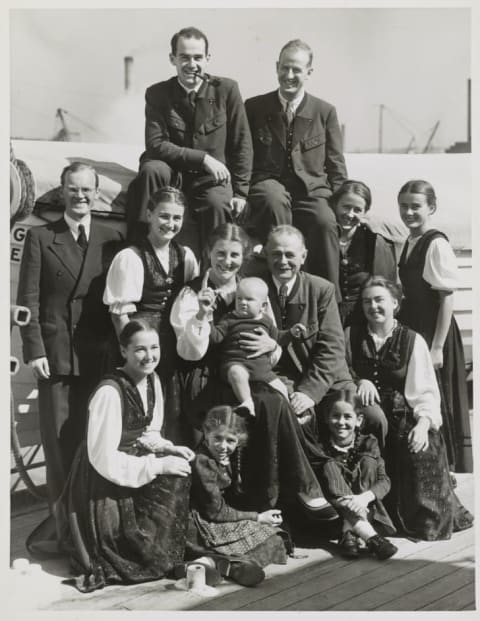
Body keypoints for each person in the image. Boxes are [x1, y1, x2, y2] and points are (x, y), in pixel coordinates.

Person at [170, 223, 333, 516]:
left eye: (234, 255)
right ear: (208, 253)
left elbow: (273, 342)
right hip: (206, 377)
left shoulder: (252, 290)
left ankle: (278, 500)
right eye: (220, 254)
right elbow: (190, 353)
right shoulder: (193, 292)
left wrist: (272, 345)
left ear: (243, 257)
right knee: (272, 402)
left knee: (276, 401)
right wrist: (202, 315)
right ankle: (297, 491)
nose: (226, 262)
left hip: (247, 373)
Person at [16, 162, 124, 553]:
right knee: (59, 446)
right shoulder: (41, 237)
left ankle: (92, 528)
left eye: (87, 190)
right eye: (73, 189)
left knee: (93, 441)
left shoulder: (112, 240)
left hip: (96, 357)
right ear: (62, 191)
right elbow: (26, 301)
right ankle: (64, 533)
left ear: (97, 193)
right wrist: (34, 350)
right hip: (56, 357)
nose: (81, 196)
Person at [60, 319, 195, 592]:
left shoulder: (152, 381)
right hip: (102, 478)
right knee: (128, 539)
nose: (149, 356)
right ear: (123, 351)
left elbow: (147, 431)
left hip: (134, 460)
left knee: (181, 475)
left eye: (154, 347)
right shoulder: (109, 392)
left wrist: (168, 448)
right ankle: (151, 554)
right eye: (140, 349)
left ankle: (166, 551)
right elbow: (103, 458)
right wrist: (156, 465)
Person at [346, 276, 473, 540]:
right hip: (367, 417)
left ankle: (422, 519)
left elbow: (425, 391)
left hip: (405, 416)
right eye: (367, 301)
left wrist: (424, 424)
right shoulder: (352, 335)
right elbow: (342, 369)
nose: (373, 306)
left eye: (379, 300)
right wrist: (360, 380)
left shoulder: (412, 340)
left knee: (420, 448)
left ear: (394, 302)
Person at [259, 225, 388, 452]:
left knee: (373, 417)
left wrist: (309, 392)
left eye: (290, 254)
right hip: (282, 381)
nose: (283, 261)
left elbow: (331, 348)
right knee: (291, 421)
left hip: (329, 380)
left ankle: (373, 480)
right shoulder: (256, 290)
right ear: (266, 255)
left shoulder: (321, 290)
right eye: (275, 254)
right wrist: (291, 391)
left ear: (303, 256)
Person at [127, 26, 253, 255]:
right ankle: (141, 253)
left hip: (210, 181)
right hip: (171, 174)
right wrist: (203, 158)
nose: (191, 64)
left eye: (198, 57)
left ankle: (214, 277)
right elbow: (155, 144)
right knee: (151, 169)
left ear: (208, 59)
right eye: (184, 57)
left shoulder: (227, 90)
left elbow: (241, 142)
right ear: (172, 59)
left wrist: (241, 193)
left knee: (217, 204)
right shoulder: (158, 93)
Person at [244, 39, 347, 295]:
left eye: (297, 70)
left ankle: (328, 300)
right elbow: (242, 155)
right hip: (268, 184)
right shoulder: (254, 107)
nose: (289, 76)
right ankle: (276, 290)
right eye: (285, 68)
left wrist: (342, 203)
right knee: (273, 198)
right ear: (277, 67)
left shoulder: (325, 112)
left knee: (324, 222)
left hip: (311, 190)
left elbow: (335, 164)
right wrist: (239, 191)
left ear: (309, 72)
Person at [103, 186, 199, 443]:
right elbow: (119, 316)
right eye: (164, 216)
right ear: (149, 214)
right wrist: (134, 358)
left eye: (176, 218)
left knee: (173, 414)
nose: (170, 224)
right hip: (142, 347)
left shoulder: (186, 256)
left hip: (173, 349)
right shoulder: (130, 257)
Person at [396, 180, 472, 473]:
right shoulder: (410, 241)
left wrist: (437, 346)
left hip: (434, 328)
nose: (409, 212)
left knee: (439, 395)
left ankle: (447, 466)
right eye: (404, 206)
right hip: (415, 326)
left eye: (416, 206)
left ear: (431, 208)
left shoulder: (435, 242)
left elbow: (446, 297)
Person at [184, 405, 288, 586]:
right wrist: (258, 517)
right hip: (201, 526)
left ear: (238, 440)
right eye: (217, 438)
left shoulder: (223, 458)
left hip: (213, 519)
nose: (223, 446)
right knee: (272, 536)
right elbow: (216, 512)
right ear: (206, 432)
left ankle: (221, 564)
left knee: (276, 537)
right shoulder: (203, 462)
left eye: (230, 440)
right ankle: (214, 562)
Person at [198, 276, 305, 416]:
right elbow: (215, 337)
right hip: (235, 363)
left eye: (249, 299)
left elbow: (278, 337)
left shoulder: (266, 322)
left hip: (262, 369)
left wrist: (291, 332)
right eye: (239, 298)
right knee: (236, 373)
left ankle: (292, 417)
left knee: (281, 389)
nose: (243, 303)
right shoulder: (229, 319)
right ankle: (247, 404)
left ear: (263, 306)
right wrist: (208, 318)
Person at [316, 390, 397, 560]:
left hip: (368, 509)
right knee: (329, 465)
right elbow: (326, 490)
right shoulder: (321, 448)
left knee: (368, 461)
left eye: (347, 417)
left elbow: (385, 481)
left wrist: (362, 499)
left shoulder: (369, 443)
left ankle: (349, 532)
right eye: (335, 416)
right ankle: (371, 537)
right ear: (326, 418)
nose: (341, 422)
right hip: (334, 514)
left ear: (358, 420)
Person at [331, 180, 403, 327]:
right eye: (346, 207)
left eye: (357, 210)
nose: (350, 214)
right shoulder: (325, 236)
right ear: (335, 205)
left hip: (363, 315)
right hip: (329, 314)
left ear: (365, 213)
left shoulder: (372, 239)